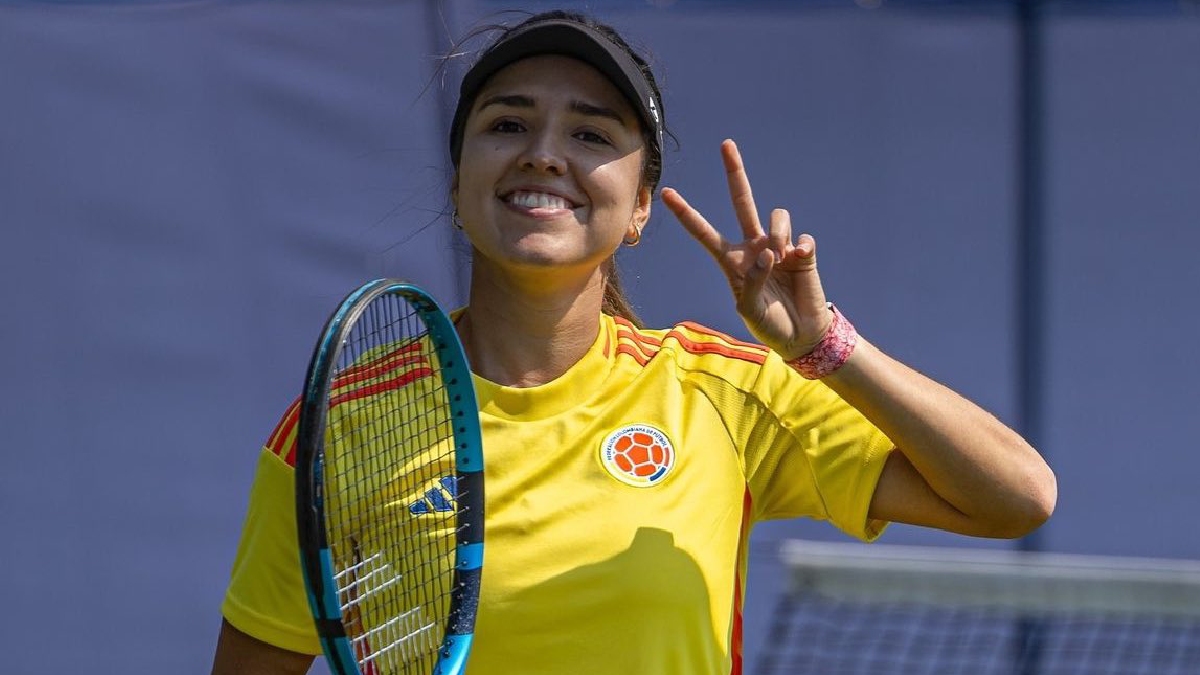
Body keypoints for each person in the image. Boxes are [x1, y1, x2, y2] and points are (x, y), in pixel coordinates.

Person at [210, 9, 1056, 675]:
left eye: (590, 134)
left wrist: (824, 345)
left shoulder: (721, 393)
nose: (544, 156)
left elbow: (1016, 495)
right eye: (507, 126)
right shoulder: (334, 432)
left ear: (641, 205)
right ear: (459, 183)